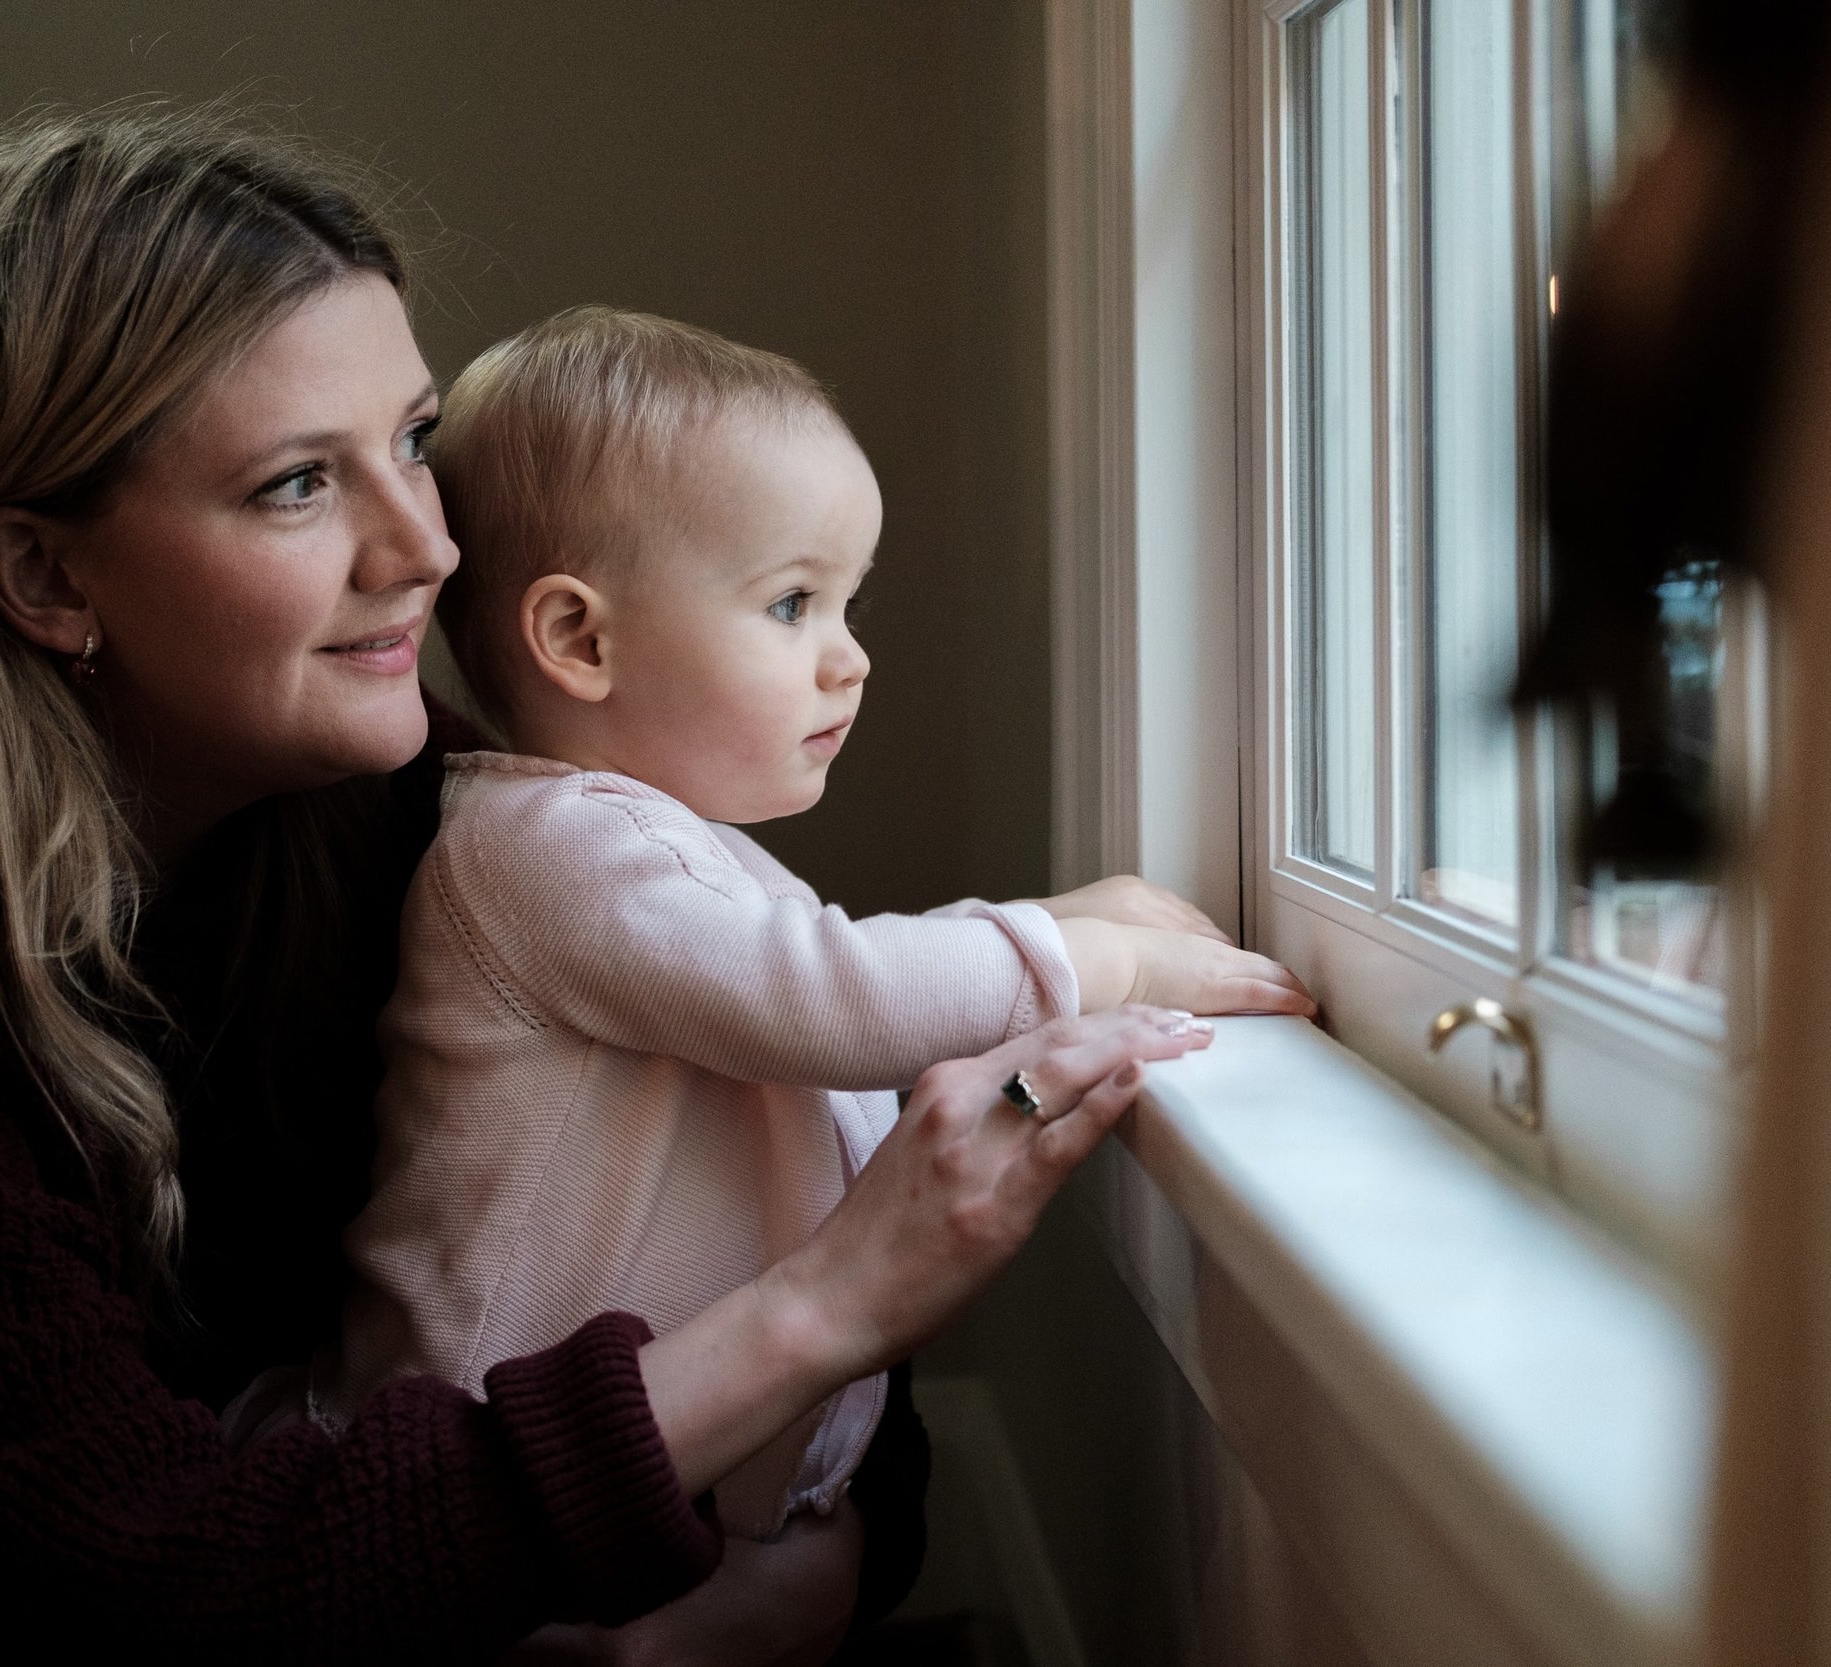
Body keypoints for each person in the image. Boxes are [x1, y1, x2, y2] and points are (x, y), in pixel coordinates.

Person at [0, 103, 1214, 1658]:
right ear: (47, 575)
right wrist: (824, 1311)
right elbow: (148, 1582)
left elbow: (758, 1225)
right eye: (294, 485)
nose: (429, 546)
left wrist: (786, 1569)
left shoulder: (394, 797)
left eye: (413, 440)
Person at [318, 307, 1315, 1541]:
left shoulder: (643, 852)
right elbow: (827, 995)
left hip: (638, 1475)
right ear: (581, 638)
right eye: (793, 603)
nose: (849, 660)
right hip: (488, 1465)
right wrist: (1098, 954)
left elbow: (815, 971)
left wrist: (1043, 920)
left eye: (848, 604)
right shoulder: (544, 851)